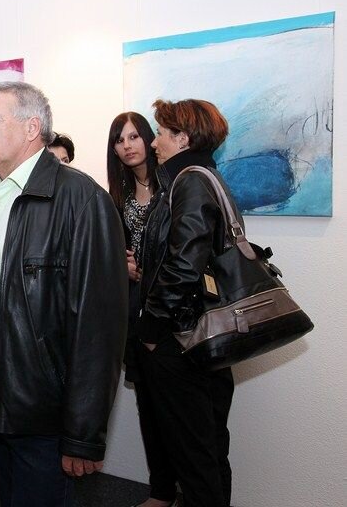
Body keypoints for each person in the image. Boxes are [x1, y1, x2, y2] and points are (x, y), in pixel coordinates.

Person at [0, 81, 128, 507]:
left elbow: (98, 328)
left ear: (31, 128)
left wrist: (82, 435)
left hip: (44, 403)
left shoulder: (81, 199)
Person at [135, 98, 237, 507]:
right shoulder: (204, 177)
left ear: (182, 139)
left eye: (160, 133)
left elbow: (183, 266)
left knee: (195, 455)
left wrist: (150, 328)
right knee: (208, 447)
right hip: (203, 333)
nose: (153, 142)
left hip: (182, 337)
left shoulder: (190, 181)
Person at [106, 113, 177, 507]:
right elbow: (108, 253)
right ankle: (161, 492)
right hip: (135, 313)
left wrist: (148, 270)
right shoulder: (115, 197)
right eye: (119, 140)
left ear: (149, 139)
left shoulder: (174, 186)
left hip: (173, 312)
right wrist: (123, 266)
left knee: (178, 411)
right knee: (148, 406)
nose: (127, 145)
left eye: (134, 136)